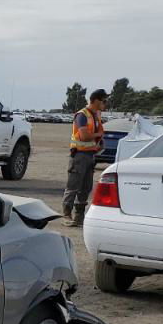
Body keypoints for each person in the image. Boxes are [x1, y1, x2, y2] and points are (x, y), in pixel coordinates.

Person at [62, 89, 108, 225]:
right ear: (96, 101)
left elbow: (95, 134)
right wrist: (98, 135)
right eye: (104, 101)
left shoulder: (96, 116)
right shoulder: (82, 115)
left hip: (90, 155)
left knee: (86, 188)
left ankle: (79, 217)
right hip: (79, 156)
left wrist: (99, 141)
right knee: (73, 186)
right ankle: (66, 215)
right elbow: (84, 136)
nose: (105, 104)